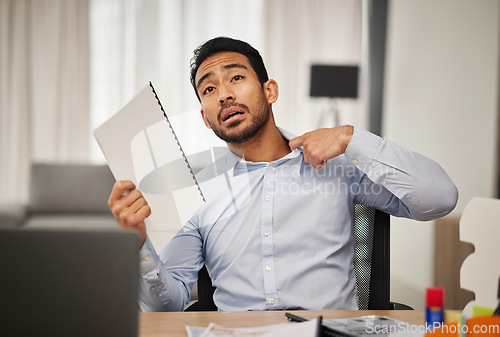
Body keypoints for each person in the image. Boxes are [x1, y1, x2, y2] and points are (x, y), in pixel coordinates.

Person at [108, 36, 458, 312]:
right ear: (205, 117)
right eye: (209, 89)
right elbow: (165, 308)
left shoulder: (336, 168)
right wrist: (137, 245)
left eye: (236, 78)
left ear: (269, 90)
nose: (224, 95)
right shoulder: (197, 192)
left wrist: (351, 138)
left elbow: (440, 199)